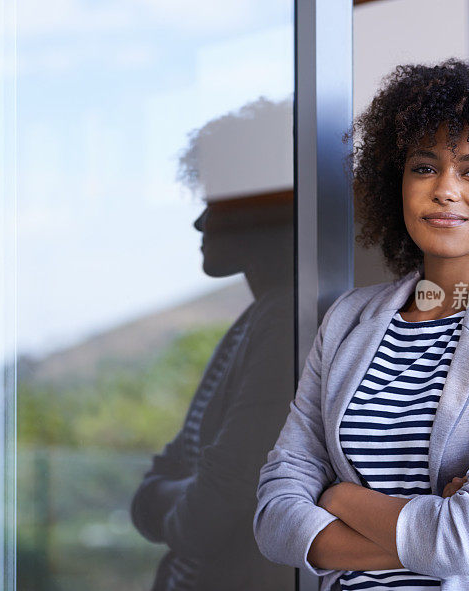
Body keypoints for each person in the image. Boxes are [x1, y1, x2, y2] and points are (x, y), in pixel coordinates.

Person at [253, 58, 469, 591]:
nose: (445, 190)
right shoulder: (346, 319)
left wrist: (337, 498)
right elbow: (274, 518)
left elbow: (468, 539)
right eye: (424, 167)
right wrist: (427, 532)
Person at [130, 98, 296, 590]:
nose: (200, 224)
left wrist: (175, 501)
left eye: (214, 203)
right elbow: (155, 488)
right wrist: (183, 496)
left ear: (262, 207)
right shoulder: (257, 317)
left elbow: (219, 505)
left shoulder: (287, 323)